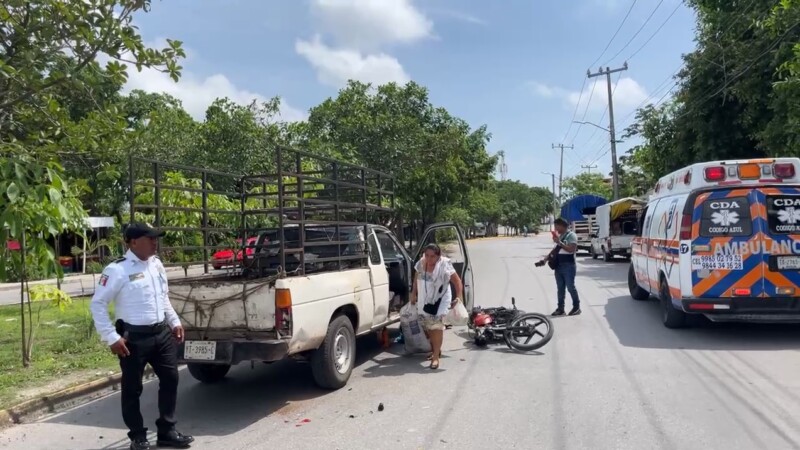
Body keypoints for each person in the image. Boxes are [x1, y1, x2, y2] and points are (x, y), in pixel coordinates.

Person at [90, 223, 194, 450]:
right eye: (150, 238)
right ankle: (138, 436)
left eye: (156, 238)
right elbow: (97, 304)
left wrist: (174, 321)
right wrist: (111, 337)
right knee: (132, 388)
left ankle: (167, 431)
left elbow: (163, 297)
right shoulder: (117, 270)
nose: (155, 242)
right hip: (133, 339)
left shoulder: (156, 264)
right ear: (133, 242)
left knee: (171, 379)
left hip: (161, 334)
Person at [410, 243, 463, 370]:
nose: (429, 259)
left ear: (438, 256)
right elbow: (416, 277)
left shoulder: (445, 264)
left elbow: (456, 281)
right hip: (425, 299)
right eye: (427, 255)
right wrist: (413, 294)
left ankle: (435, 357)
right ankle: (436, 350)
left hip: (441, 299)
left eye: (432, 256)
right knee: (429, 327)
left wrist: (459, 296)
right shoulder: (421, 263)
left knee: (436, 327)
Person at [539, 218, 582, 317]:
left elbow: (571, 249)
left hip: (568, 266)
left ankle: (576, 307)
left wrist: (560, 242)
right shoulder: (561, 236)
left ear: (562, 225)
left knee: (570, 287)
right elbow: (555, 251)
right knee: (560, 288)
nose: (555, 228)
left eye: (556, 226)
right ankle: (560, 309)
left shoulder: (571, 235)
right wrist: (545, 260)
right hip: (559, 266)